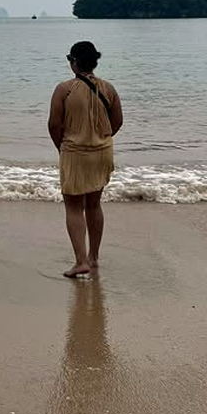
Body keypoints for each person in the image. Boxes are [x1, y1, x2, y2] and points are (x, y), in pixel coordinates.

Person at [48, 41, 123, 278]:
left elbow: (54, 124)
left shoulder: (64, 89)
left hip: (74, 150)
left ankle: (80, 260)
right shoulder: (108, 88)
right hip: (102, 150)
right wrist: (102, 137)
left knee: (73, 206)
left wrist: (61, 146)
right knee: (94, 203)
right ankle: (94, 256)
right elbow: (117, 121)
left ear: (74, 62)